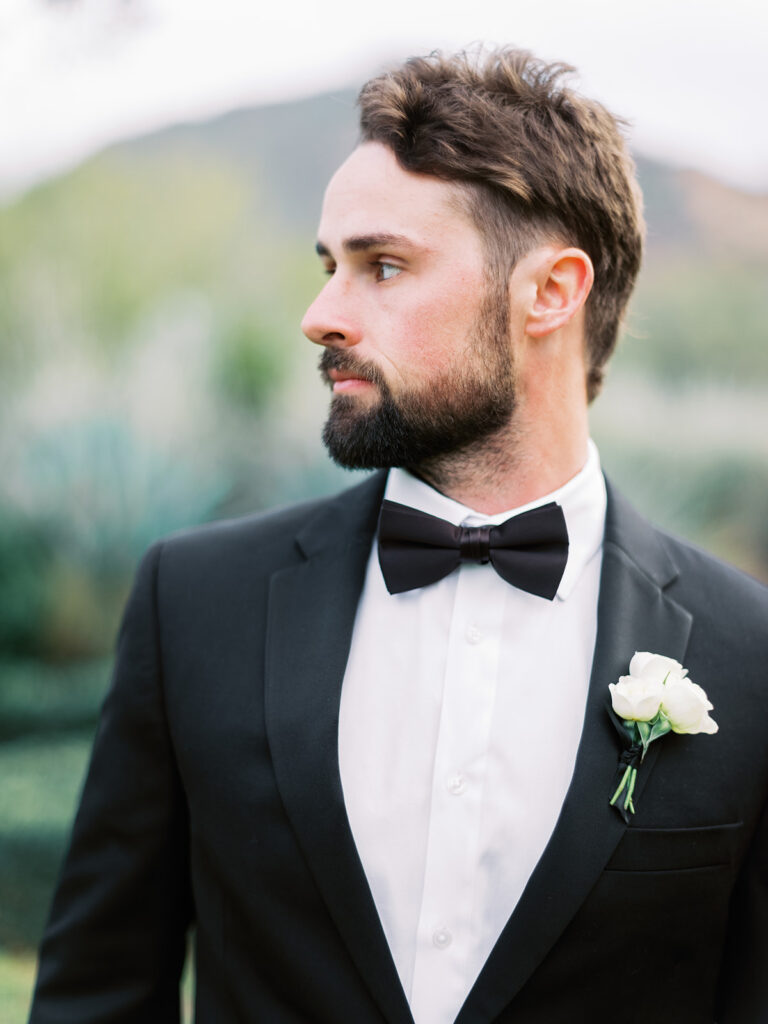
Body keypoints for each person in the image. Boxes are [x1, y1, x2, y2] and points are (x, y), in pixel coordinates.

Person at [29, 48, 767, 1024]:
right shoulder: (193, 603)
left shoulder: (746, 650)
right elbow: (96, 996)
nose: (320, 316)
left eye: (382, 266)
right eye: (330, 267)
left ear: (551, 291)